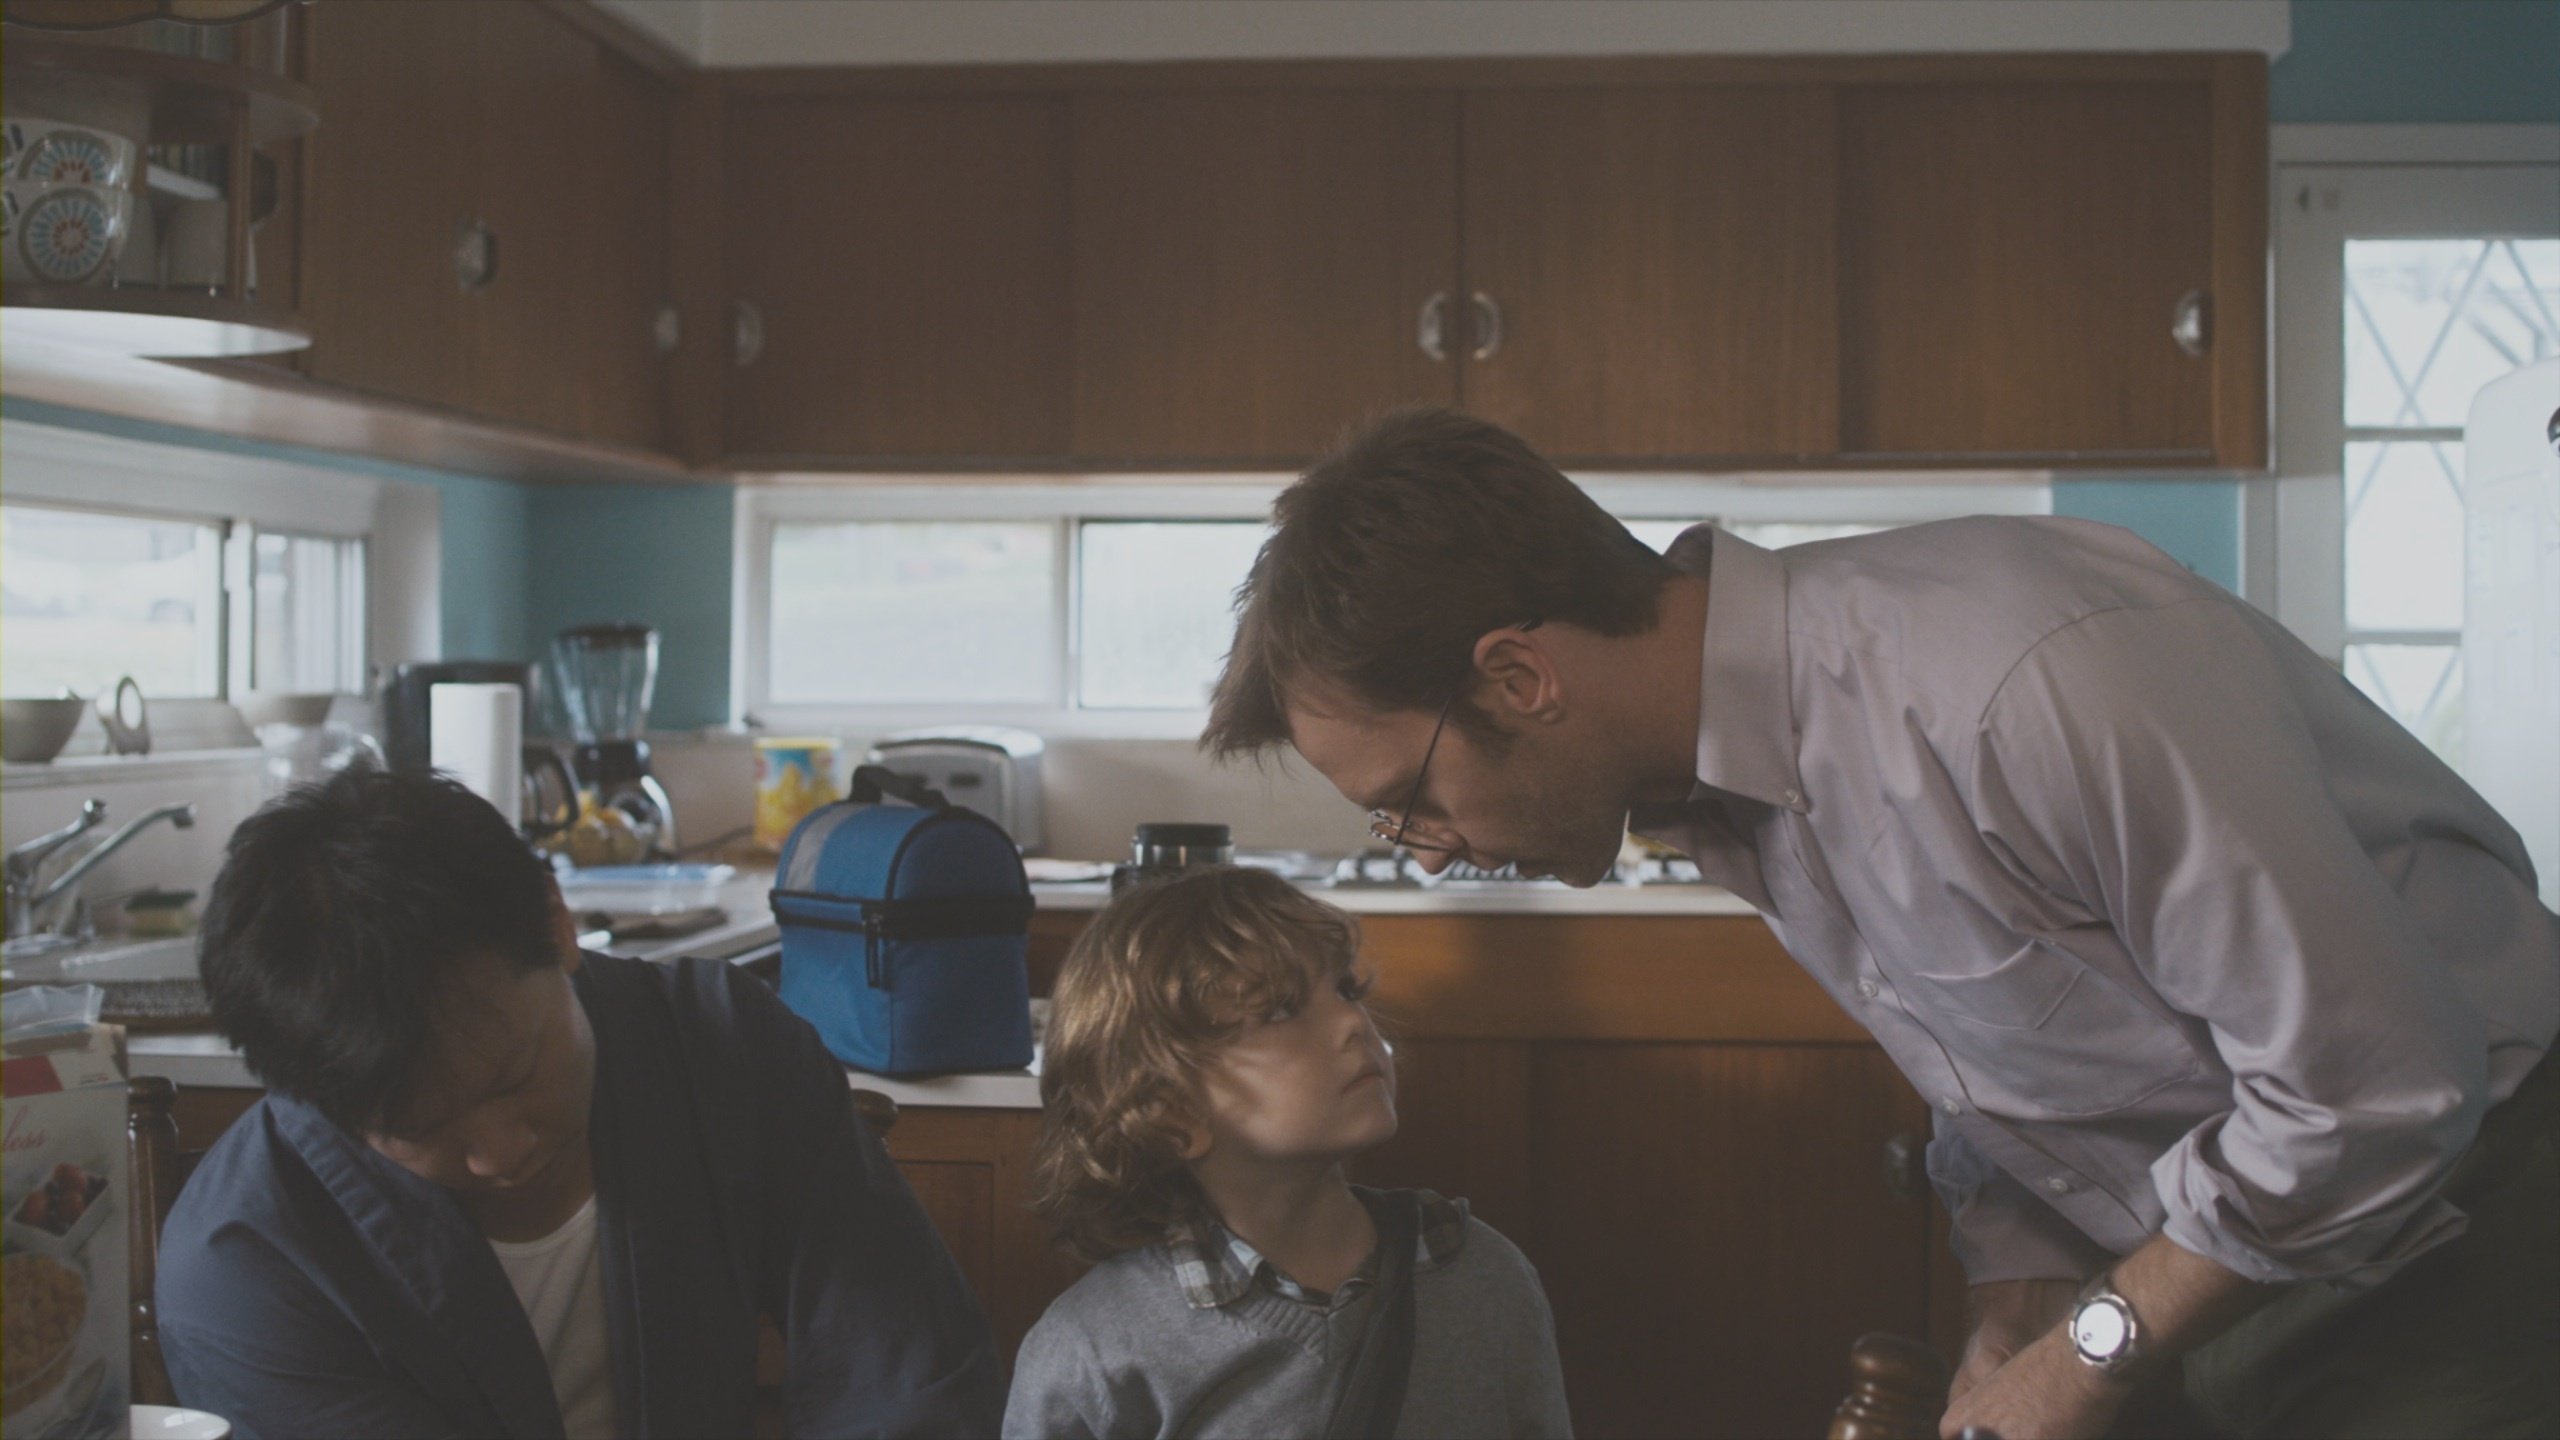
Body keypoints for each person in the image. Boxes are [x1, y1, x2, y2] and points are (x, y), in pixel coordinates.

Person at [1203, 407, 2559, 1440]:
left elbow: (2374, 1085)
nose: (1425, 852)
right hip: (2250, 1255)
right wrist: (2016, 1302)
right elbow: (2018, 1038)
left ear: (1519, 677)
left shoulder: (2012, 685)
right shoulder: (1732, 791)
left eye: (1411, 798)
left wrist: (2086, 1349)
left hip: (2473, 1226)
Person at [158, 768, 1003, 1438]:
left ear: (557, 922)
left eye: (514, 1077)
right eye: (419, 1132)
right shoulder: (248, 1262)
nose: (497, 1154)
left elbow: (903, 1379)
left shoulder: (721, 1049)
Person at [1003, 865, 1572, 1439]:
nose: (1353, 1021)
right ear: (1172, 1110)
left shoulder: (1482, 1275)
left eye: (1346, 990)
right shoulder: (1097, 1350)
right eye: (1279, 1010)